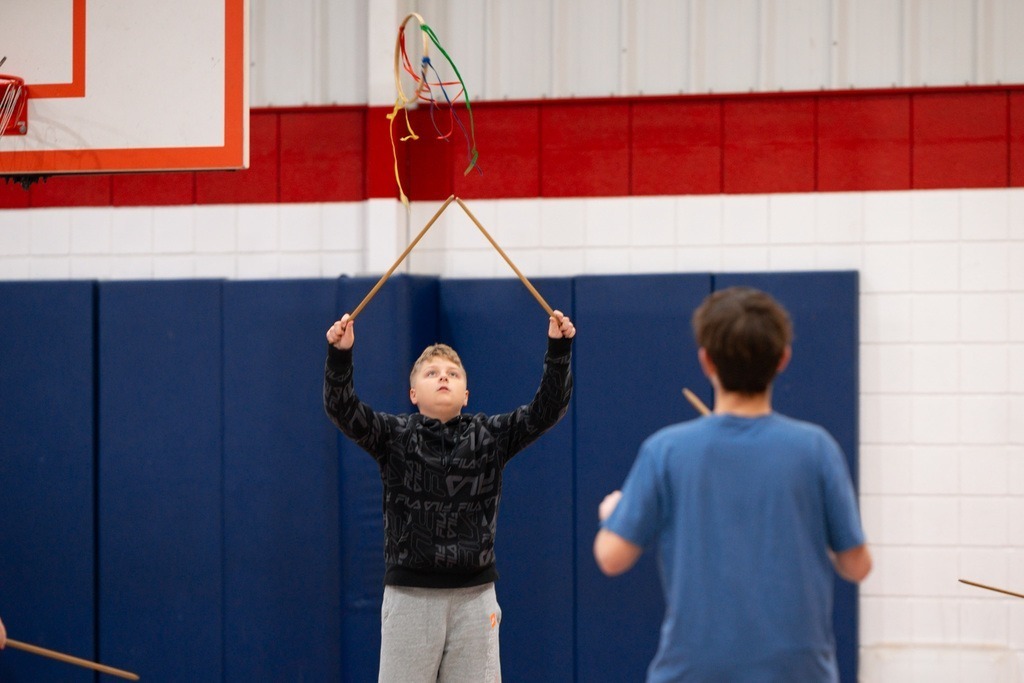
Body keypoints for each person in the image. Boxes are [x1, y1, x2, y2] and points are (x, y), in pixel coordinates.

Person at [593, 286, 871, 682]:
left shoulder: (666, 451)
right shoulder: (816, 449)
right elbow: (857, 565)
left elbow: (611, 557)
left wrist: (614, 513)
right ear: (783, 359)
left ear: (706, 361)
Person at [324, 310, 575, 683]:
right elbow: (342, 409)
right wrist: (340, 355)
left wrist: (558, 350)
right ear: (413, 394)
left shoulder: (490, 436)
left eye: (453, 374)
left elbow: (546, 411)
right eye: (432, 373)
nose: (443, 377)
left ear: (466, 394)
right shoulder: (393, 436)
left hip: (475, 598)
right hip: (410, 597)